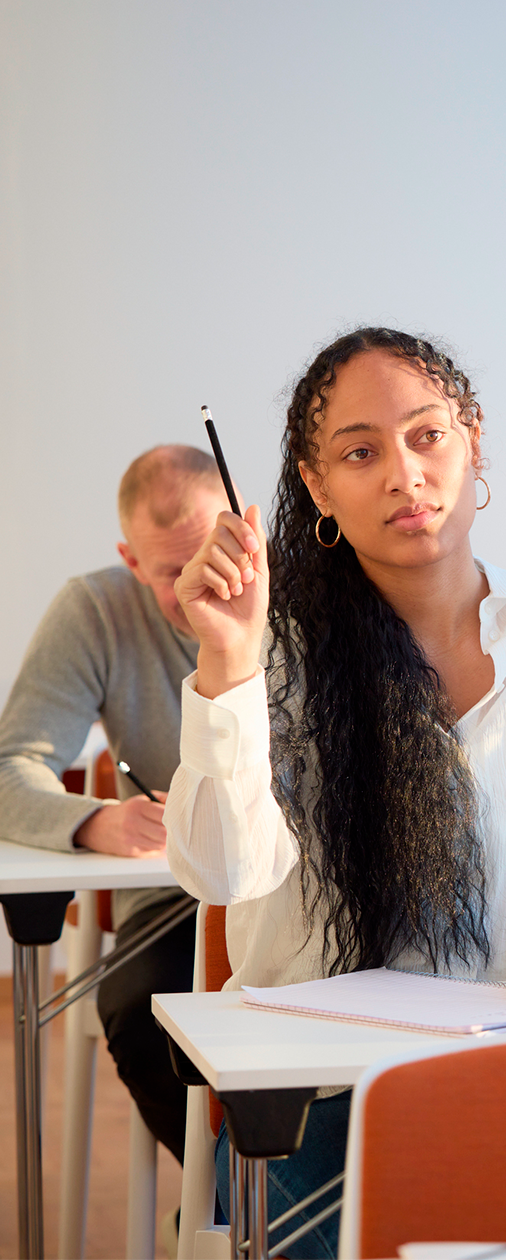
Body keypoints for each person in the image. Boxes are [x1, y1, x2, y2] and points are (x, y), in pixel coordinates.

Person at [163, 328, 506, 1257]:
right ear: (318, 485)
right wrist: (229, 661)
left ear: (473, 440)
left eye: (427, 436)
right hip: (326, 1094)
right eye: (361, 453)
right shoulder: (272, 655)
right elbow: (220, 872)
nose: (404, 475)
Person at [0, 445, 226, 1167]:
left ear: (246, 529)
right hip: (171, 901)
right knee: (140, 1013)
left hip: (302, 897)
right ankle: (229, 1214)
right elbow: (11, 766)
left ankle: (267, 1215)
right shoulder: (95, 610)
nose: (204, 586)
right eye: (172, 574)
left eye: (214, 554)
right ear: (131, 561)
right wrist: (94, 820)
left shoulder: (316, 601)